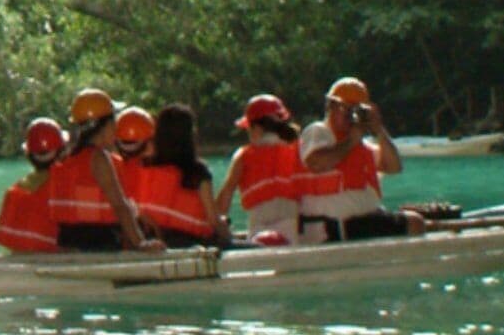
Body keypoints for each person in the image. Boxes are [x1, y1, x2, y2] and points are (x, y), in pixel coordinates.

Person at [295, 76, 410, 239]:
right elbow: (317, 163)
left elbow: (394, 167)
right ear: (330, 106)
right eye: (346, 109)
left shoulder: (360, 145)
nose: (351, 116)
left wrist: (378, 130)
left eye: (356, 110)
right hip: (331, 225)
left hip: (362, 221)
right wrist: (352, 140)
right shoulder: (318, 132)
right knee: (414, 223)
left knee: (414, 221)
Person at [42, 93, 149, 251]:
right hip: (98, 244)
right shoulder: (98, 158)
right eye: (113, 121)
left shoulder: (65, 158)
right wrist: (142, 244)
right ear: (104, 126)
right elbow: (120, 206)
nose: (116, 127)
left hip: (67, 245)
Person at [213, 94, 303, 244]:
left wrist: (214, 227)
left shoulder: (244, 156)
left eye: (248, 129)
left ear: (256, 128)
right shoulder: (298, 149)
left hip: (258, 229)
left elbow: (225, 197)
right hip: (294, 230)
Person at [129, 103, 222, 246]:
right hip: (192, 243)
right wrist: (227, 233)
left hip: (151, 241)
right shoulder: (198, 172)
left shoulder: (143, 165)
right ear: (189, 136)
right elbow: (214, 221)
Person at [0, 118, 69, 251]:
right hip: (53, 260)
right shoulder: (65, 188)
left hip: (18, 261)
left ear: (28, 154)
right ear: (62, 151)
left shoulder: (13, 192)